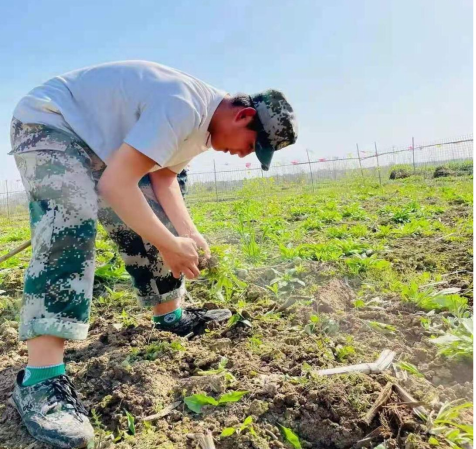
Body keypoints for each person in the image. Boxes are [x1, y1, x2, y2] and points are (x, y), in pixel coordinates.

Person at [8, 60, 297, 448]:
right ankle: (39, 380)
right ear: (244, 115)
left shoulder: (201, 130)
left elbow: (163, 179)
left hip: (98, 147)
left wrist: (188, 235)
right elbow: (116, 184)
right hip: (50, 123)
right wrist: (167, 244)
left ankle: (169, 315)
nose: (245, 155)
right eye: (252, 145)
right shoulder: (184, 107)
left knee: (155, 220)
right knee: (70, 221)